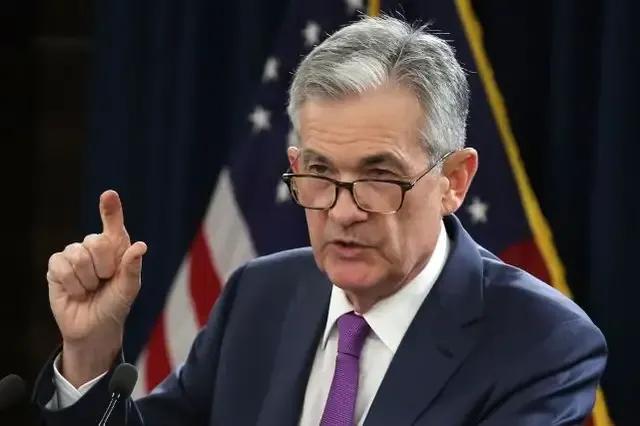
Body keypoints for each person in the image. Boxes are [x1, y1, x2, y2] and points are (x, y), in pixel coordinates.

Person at [32, 15, 607, 425]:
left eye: (379, 176)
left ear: (453, 181)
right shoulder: (259, 295)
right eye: (321, 172)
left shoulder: (541, 343)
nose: (343, 211)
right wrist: (90, 353)